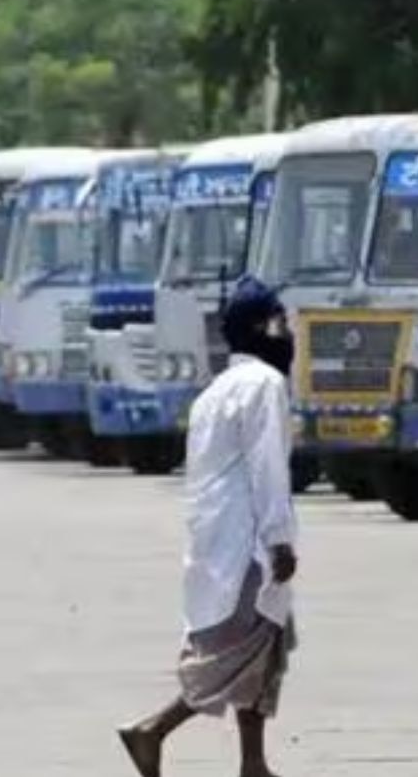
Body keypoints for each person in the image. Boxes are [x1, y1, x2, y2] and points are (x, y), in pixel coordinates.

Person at [119, 276, 298, 777]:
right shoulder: (264, 385)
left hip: (215, 542)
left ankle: (253, 762)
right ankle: (151, 730)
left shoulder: (214, 392)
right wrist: (279, 539)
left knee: (265, 646)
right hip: (246, 543)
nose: (287, 334)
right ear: (262, 328)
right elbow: (267, 469)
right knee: (239, 650)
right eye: (280, 323)